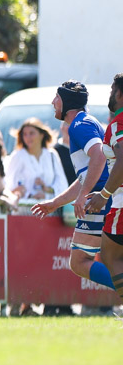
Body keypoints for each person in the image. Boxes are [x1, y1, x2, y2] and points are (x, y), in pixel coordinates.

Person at [31, 81, 116, 291]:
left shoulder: (79, 125)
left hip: (99, 200)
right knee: (110, 260)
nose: (53, 103)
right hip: (105, 196)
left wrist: (83, 195)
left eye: (57, 98)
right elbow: (86, 176)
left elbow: (99, 156)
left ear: (67, 102)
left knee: (79, 262)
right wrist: (56, 202)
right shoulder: (85, 122)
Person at [84, 73, 123, 302]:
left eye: (111, 89)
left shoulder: (118, 122)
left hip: (121, 203)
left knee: (110, 256)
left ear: (119, 93)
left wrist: (104, 194)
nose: (110, 93)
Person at [6, 118, 68, 203]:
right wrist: (29, 194)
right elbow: (8, 186)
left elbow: (62, 184)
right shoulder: (18, 156)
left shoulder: (51, 155)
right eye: (25, 134)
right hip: (23, 211)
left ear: (41, 135)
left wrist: (47, 190)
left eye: (31, 133)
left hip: (50, 211)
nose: (28, 137)